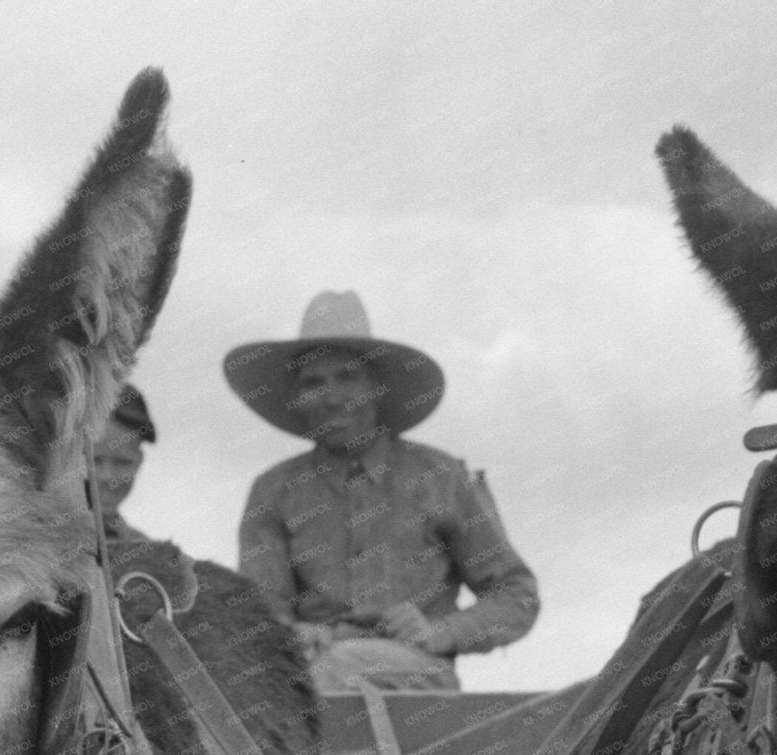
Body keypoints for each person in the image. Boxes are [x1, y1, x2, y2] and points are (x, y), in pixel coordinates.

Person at [227, 291, 539, 692]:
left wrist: (438, 631)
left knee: (335, 669)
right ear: (298, 399)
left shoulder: (441, 478)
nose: (332, 397)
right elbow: (259, 612)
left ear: (376, 387)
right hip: (308, 675)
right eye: (314, 383)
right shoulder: (273, 491)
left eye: (347, 378)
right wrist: (294, 634)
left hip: (416, 681)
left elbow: (517, 596)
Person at [94, 384, 155, 542]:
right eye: (94, 460)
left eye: (123, 462)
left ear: (139, 461)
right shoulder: (33, 542)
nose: (107, 476)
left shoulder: (146, 553)